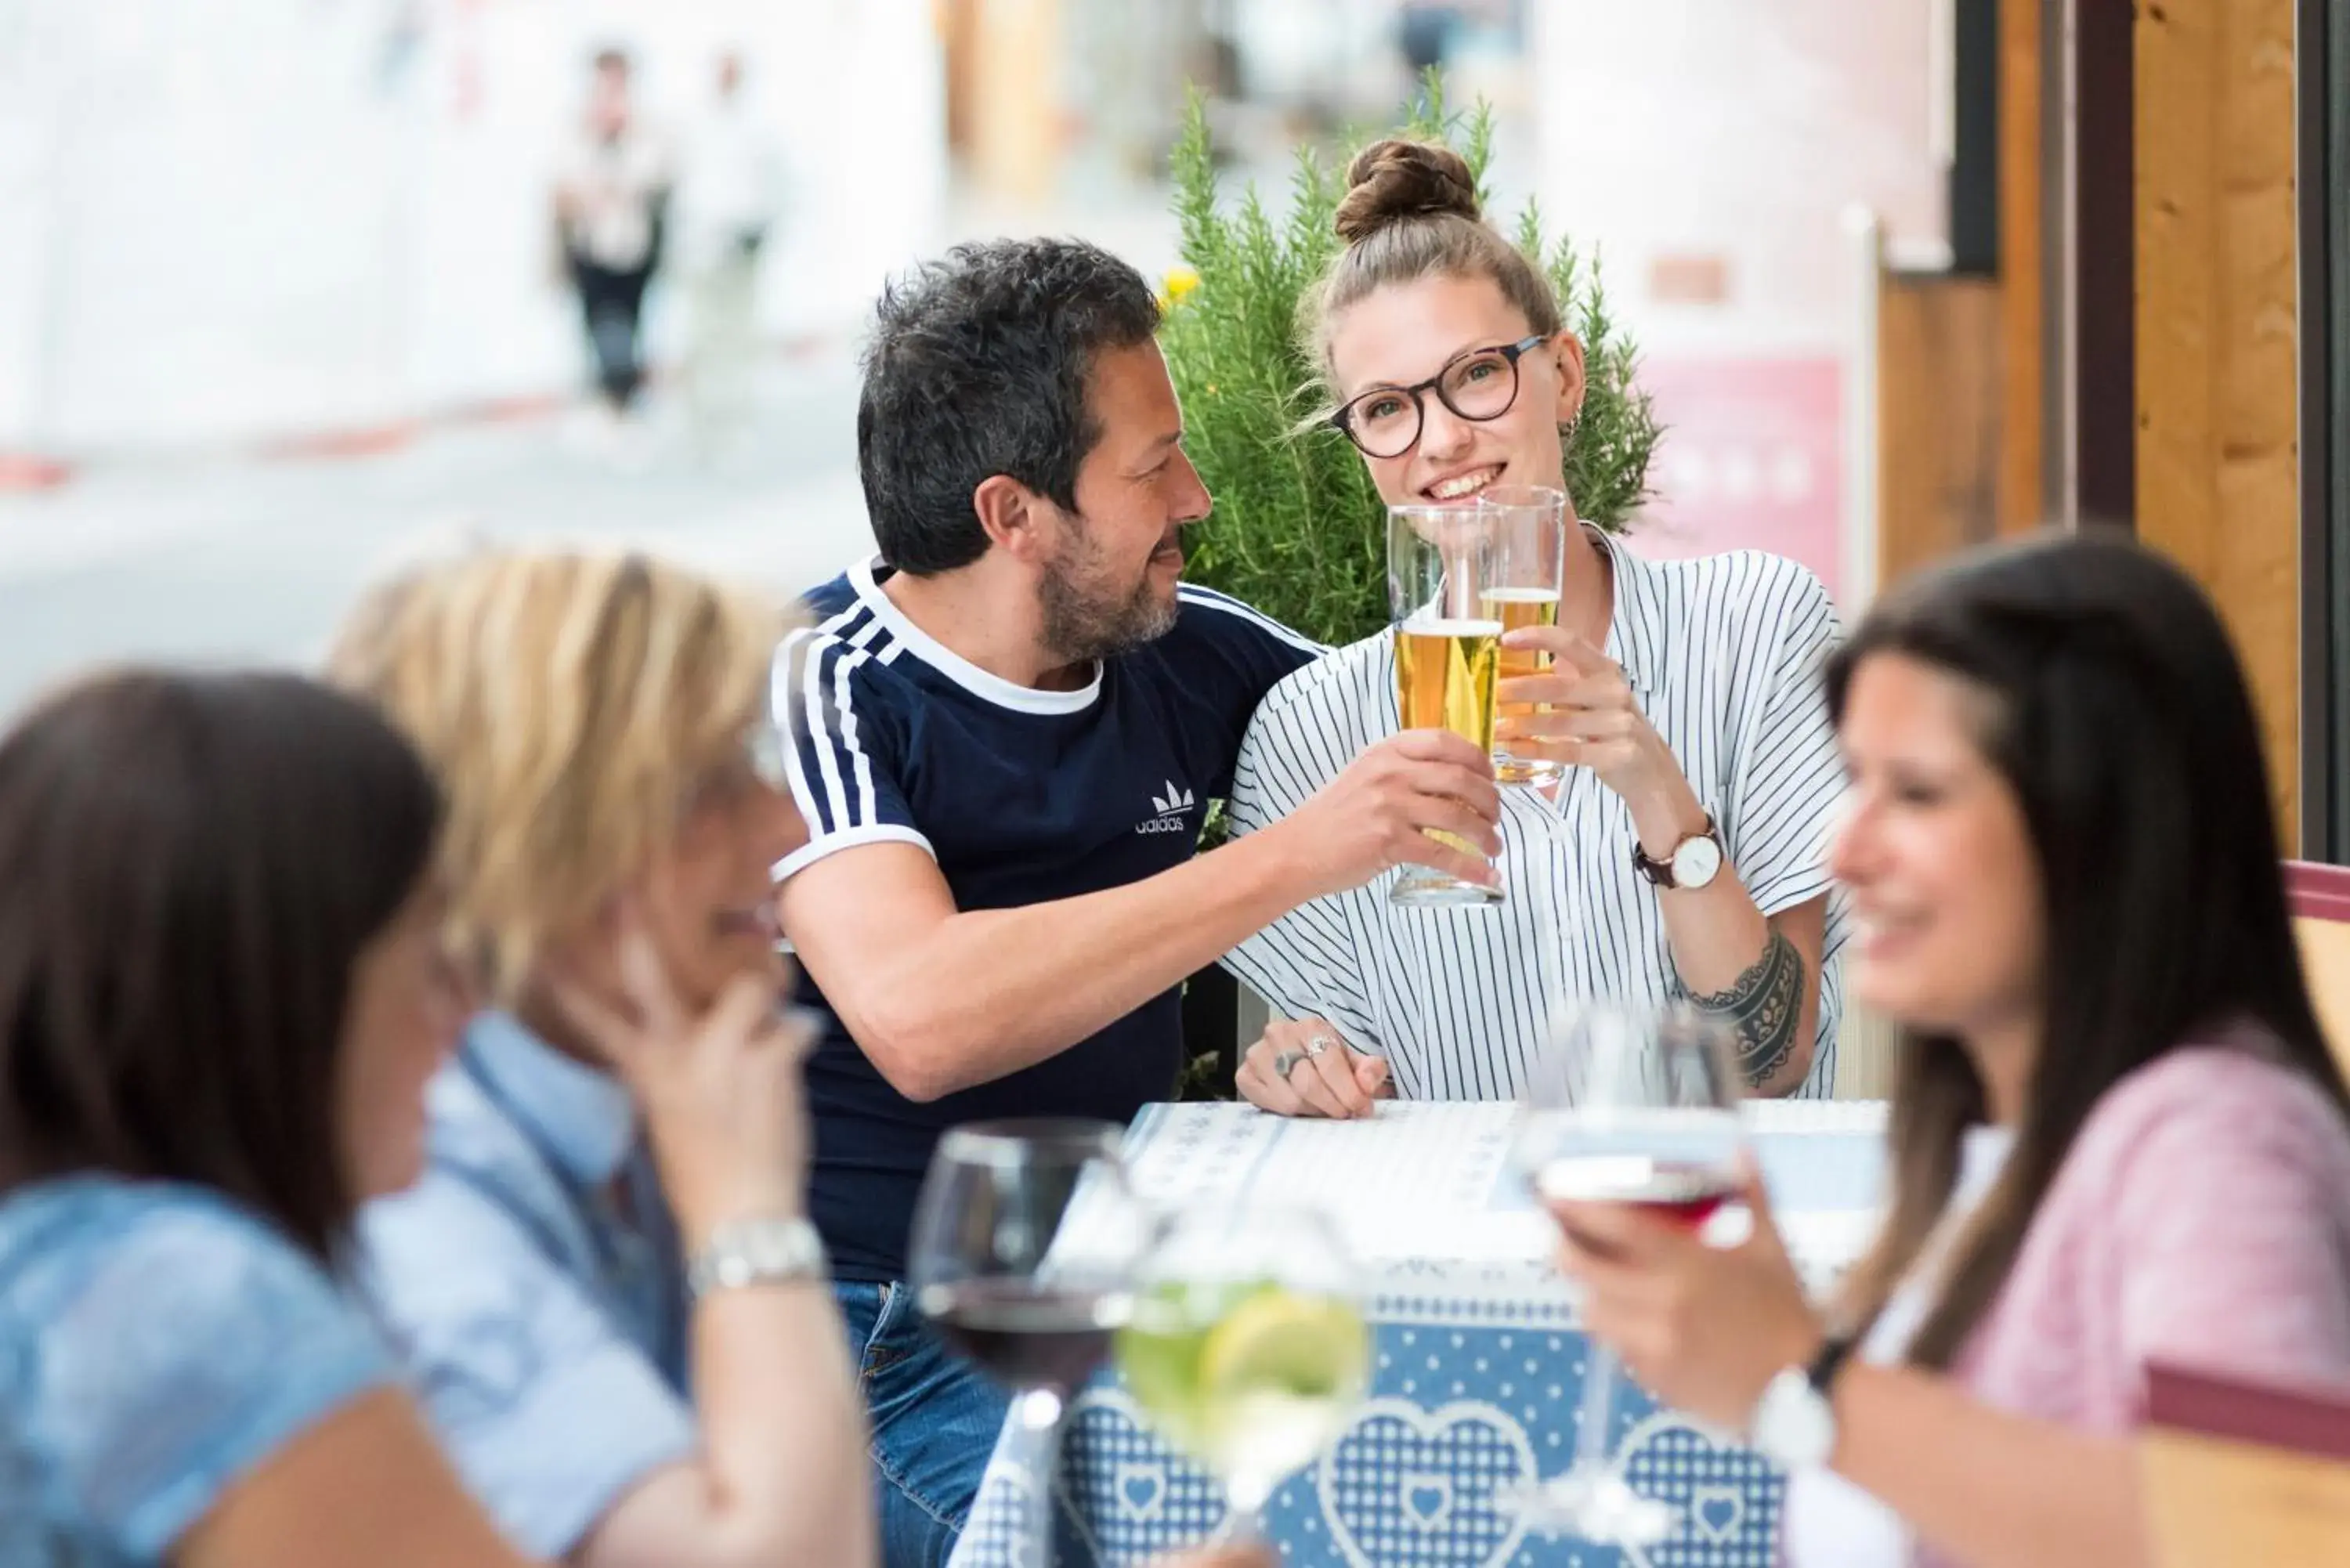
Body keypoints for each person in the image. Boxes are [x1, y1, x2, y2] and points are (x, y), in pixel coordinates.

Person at [776, 235, 1504, 1566]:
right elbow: (919, 1012)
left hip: (1131, 1283)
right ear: (1014, 515)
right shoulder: (826, 688)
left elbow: (1456, 742)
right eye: (1154, 461)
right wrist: (1296, 853)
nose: (1201, 494)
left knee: (1409, 1482)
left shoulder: (1183, 644)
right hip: (890, 1334)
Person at [1551, 531, 2350, 1568]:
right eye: (1856, 782)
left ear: (2097, 825)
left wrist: (1801, 1375)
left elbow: (2272, 1533)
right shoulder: (1981, 1139)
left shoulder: (2213, 1140)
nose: (1846, 850)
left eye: (1918, 793)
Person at [1221, 138, 1847, 1116]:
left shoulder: (1756, 626)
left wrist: (1654, 786)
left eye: (1475, 375)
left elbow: (1773, 1063)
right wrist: (1302, 1069)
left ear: (1563, 374)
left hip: (1710, 1242)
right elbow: (1348, 1100)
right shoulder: (1308, 735)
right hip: (1451, 1253)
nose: (1441, 439)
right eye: (1385, 408)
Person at [332, 548, 874, 1568]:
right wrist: (746, 1217)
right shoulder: (424, 1200)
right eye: (717, 784)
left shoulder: (630, 1091)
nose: (788, 822)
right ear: (542, 838)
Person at [0, 669, 543, 1566]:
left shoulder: (59, 1255)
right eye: (427, 943)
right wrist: (741, 1206)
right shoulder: (184, 1303)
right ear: (281, 984)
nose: (467, 999)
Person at [554, 47, 672, 442]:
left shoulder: (643, 125)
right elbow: (563, 181)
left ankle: (625, 399)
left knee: (627, 324)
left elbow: (656, 172)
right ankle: (609, 399)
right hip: (591, 244)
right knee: (598, 323)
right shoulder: (580, 124)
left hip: (632, 244)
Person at [675, 49, 786, 461]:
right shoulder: (695, 126)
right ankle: (703, 421)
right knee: (703, 335)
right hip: (701, 250)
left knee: (739, 336)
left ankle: (735, 420)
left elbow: (773, 189)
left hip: (743, 249)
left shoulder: (759, 128)